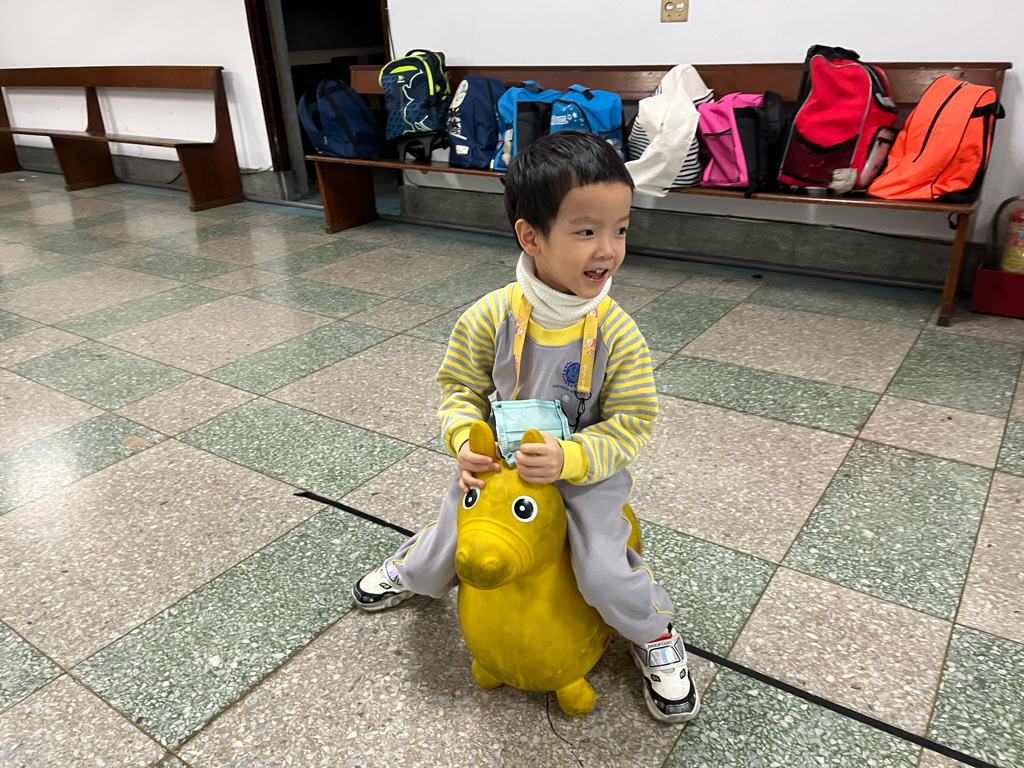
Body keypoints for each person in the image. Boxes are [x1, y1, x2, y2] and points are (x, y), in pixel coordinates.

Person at [351, 129, 699, 723]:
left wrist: (573, 458)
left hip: (584, 476)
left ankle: (657, 635)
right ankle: (411, 565)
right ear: (531, 237)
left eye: (620, 229)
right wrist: (465, 439)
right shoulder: (490, 315)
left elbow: (634, 421)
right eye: (586, 231)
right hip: (501, 469)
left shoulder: (617, 333)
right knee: (444, 551)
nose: (608, 250)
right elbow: (459, 389)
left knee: (603, 574)